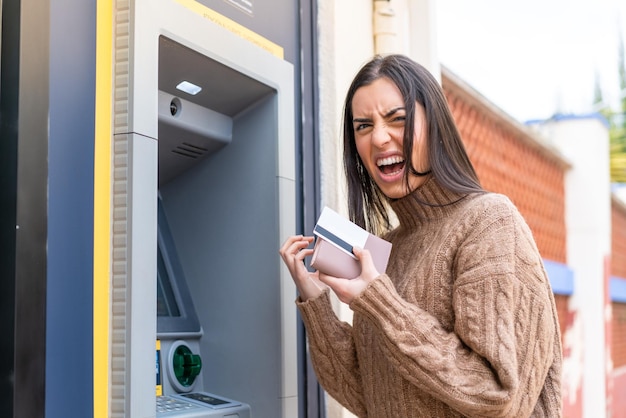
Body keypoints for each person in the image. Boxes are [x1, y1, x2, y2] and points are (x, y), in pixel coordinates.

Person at [279, 54, 562, 417]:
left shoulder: (489, 222)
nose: (379, 137)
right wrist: (315, 299)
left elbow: (496, 394)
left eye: (397, 119)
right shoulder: (387, 247)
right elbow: (369, 395)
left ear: (436, 124)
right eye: (363, 126)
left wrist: (381, 303)